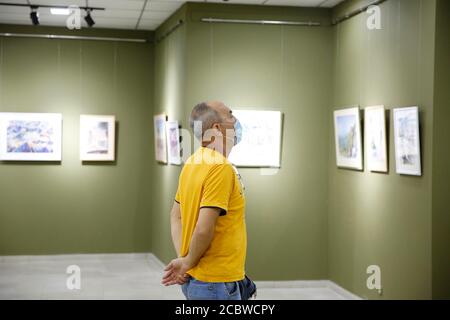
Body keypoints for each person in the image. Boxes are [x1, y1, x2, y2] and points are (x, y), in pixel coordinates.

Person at [161, 101, 247, 300]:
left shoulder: (192, 162)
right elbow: (203, 228)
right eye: (230, 115)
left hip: (199, 280)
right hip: (215, 283)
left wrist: (185, 259)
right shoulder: (220, 167)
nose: (236, 121)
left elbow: (176, 216)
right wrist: (188, 261)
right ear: (217, 128)